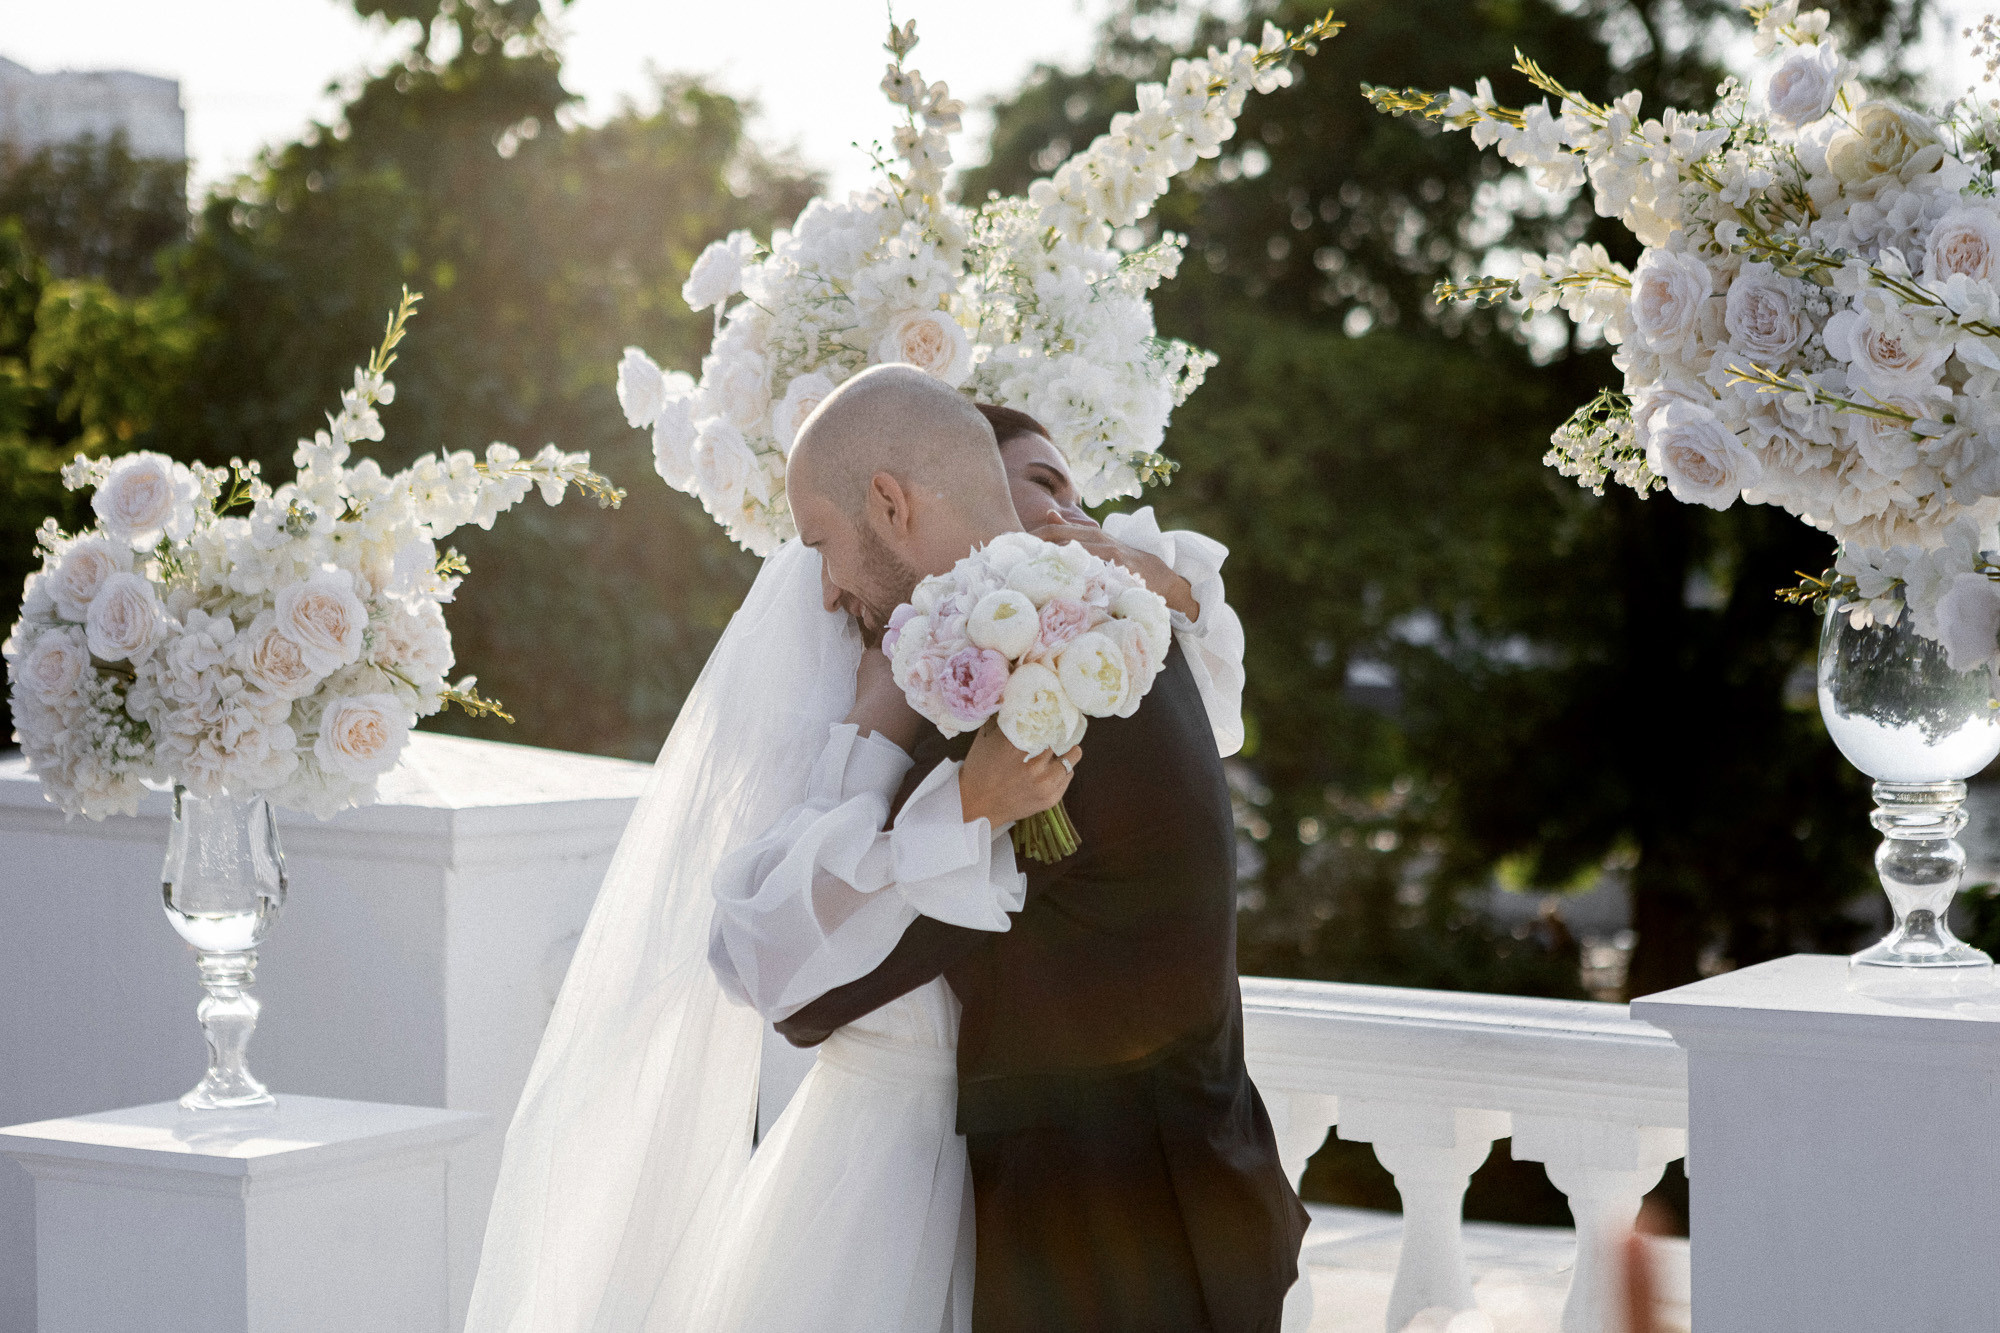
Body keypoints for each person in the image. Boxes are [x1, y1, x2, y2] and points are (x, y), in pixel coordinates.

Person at [773, 364, 1307, 1333]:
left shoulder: (1034, 695)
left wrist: (870, 727)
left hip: (1118, 1253)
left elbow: (807, 989)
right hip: (1179, 1213)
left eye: (822, 543)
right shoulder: (1126, 641)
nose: (824, 585)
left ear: (889, 503)